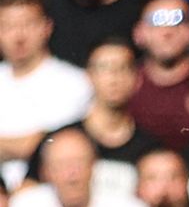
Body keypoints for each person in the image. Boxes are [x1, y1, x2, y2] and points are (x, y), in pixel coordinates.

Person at [0, 0, 94, 191]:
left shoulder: (74, 82)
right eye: (8, 26)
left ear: (47, 27)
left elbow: (48, 147)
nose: (19, 36)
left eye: (27, 24)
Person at [5, 127, 150, 207]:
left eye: (79, 163)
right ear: (45, 172)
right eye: (61, 165)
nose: (71, 176)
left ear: (94, 166)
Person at [66, 39, 163, 170]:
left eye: (123, 68)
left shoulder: (151, 148)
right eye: (104, 68)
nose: (114, 78)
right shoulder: (64, 142)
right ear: (89, 76)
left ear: (137, 78)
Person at [127, 0, 189, 152]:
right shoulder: (125, 84)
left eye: (178, 21)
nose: (167, 32)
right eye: (156, 21)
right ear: (138, 33)